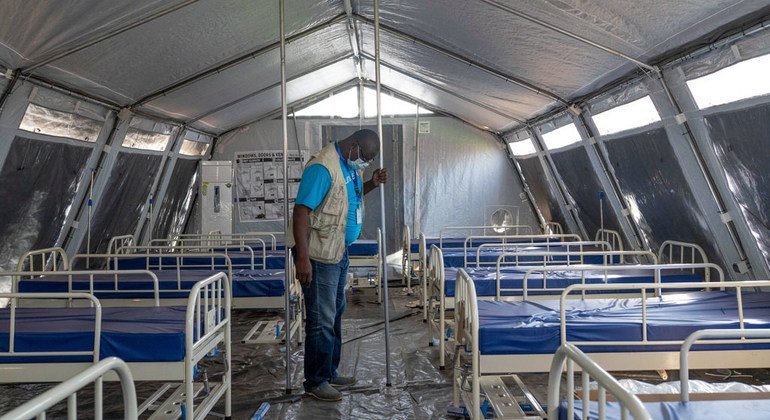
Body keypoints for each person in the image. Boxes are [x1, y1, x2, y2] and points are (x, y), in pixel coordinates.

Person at [286, 129, 388, 401]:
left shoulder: (348, 167)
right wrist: (303, 258)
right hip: (318, 256)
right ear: (353, 146)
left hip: (337, 251)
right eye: (365, 157)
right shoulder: (322, 168)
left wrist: (371, 184)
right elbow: (301, 212)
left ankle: (329, 372)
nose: (365, 163)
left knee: (335, 313)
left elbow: (347, 199)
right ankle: (316, 381)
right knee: (321, 319)